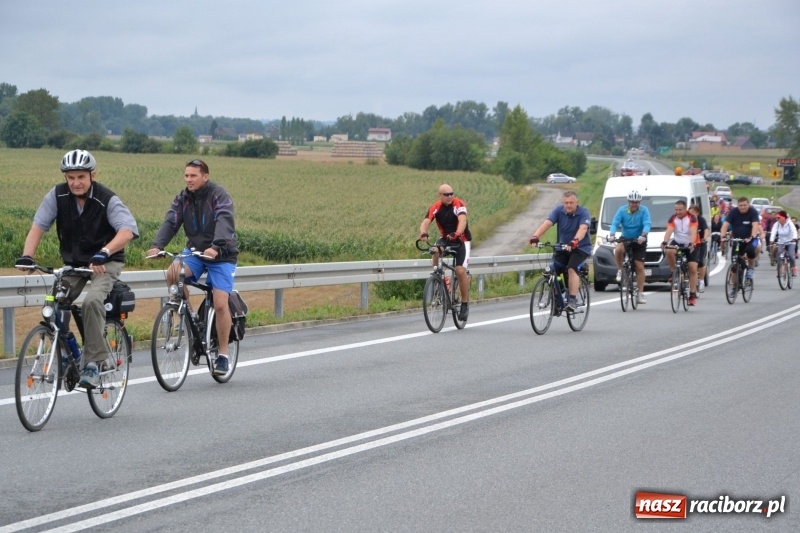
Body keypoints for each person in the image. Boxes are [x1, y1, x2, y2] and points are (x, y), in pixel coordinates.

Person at [16, 149, 139, 388]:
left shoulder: (107, 199)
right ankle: (67, 352)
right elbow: (38, 226)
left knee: (93, 301)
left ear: (92, 175)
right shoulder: (57, 195)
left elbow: (127, 230)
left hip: (106, 261)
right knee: (54, 301)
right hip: (75, 263)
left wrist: (104, 252)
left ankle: (94, 362)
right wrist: (27, 256)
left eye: (81, 177)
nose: (75, 183)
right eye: (70, 177)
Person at [147, 159, 238, 376]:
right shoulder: (183, 198)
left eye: (193, 176)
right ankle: (188, 316)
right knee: (173, 272)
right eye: (186, 175)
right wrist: (157, 245)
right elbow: (171, 221)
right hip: (196, 251)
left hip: (222, 254)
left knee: (220, 303)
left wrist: (216, 247)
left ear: (205, 176)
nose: (189, 179)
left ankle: (223, 355)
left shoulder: (218, 195)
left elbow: (225, 220)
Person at [529, 190, 592, 311]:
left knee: (571, 268)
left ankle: (572, 299)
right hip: (562, 247)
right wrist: (535, 236)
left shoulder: (584, 212)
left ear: (576, 202)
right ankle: (559, 294)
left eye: (571, 203)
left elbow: (583, 229)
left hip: (580, 248)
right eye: (566, 203)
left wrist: (575, 241)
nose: (568, 205)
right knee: (552, 270)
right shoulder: (559, 210)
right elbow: (547, 223)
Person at [418, 184, 472, 321]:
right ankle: (439, 276)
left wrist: (457, 233)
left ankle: (464, 304)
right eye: (446, 194)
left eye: (451, 194)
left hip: (461, 240)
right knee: (435, 250)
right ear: (440, 196)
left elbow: (462, 220)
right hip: (446, 238)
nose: (450, 196)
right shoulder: (436, 207)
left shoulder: (458, 204)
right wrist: (423, 232)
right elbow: (425, 222)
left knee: (460, 271)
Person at [607, 189, 650, 304]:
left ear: (639, 203)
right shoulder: (622, 210)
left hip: (639, 239)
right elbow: (615, 222)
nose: (634, 204)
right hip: (626, 237)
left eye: (636, 202)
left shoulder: (644, 210)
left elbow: (647, 223)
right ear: (628, 202)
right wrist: (612, 235)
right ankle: (620, 270)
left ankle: (640, 294)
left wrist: (643, 235)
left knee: (639, 267)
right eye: (632, 202)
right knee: (618, 249)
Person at [720, 196, 761, 295]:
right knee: (734, 265)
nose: (742, 207)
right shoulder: (734, 212)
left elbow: (755, 225)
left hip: (751, 238)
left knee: (751, 251)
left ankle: (750, 269)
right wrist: (723, 236)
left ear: (748, 205)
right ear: (737, 205)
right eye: (740, 205)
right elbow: (725, 225)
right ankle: (734, 287)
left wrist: (752, 237)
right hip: (737, 240)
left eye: (744, 205)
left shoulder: (753, 212)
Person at [662, 200, 699, 306]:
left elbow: (693, 231)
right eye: (676, 210)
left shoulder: (692, 217)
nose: (677, 212)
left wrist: (692, 243)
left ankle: (692, 295)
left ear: (685, 209)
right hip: (678, 241)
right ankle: (674, 272)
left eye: (680, 210)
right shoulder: (673, 218)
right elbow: (669, 230)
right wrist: (665, 241)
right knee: (669, 250)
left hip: (690, 243)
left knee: (692, 268)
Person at [770, 210, 798, 277]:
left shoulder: (789, 223)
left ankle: (794, 268)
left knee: (791, 255)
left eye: (779, 218)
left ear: (783, 218)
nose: (777, 219)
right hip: (781, 241)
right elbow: (773, 231)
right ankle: (779, 270)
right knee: (779, 253)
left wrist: (794, 238)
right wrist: (771, 240)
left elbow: (794, 231)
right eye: (777, 218)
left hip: (790, 241)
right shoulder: (777, 224)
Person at [689, 204, 709, 293]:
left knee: (700, 262)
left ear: (697, 213)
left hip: (700, 242)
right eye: (690, 213)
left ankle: (701, 281)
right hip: (691, 243)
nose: (691, 215)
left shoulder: (701, 220)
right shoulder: (688, 220)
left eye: (693, 213)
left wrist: (704, 238)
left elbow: (706, 230)